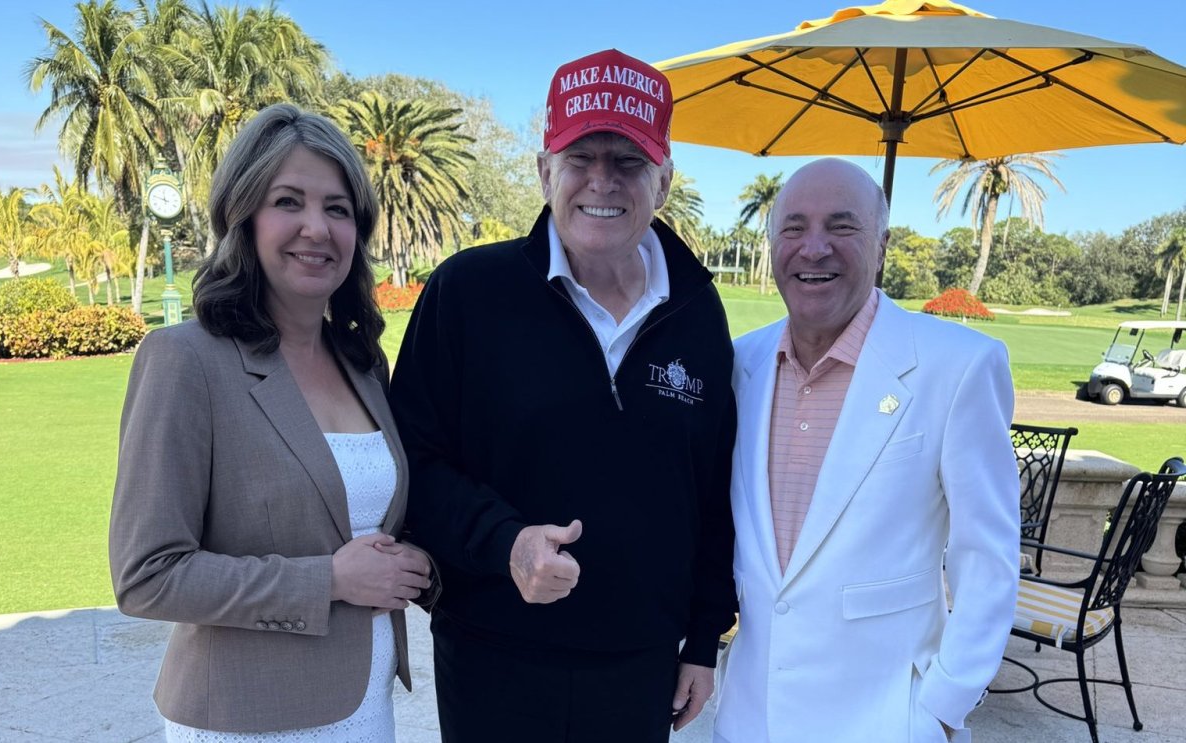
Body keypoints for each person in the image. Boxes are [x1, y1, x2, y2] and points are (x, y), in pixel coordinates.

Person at [387, 49, 737, 743]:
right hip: (493, 652)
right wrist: (505, 542)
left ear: (663, 180)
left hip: (639, 666)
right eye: (580, 158)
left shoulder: (697, 310)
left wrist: (702, 638)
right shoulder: (467, 292)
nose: (600, 182)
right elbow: (413, 462)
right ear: (544, 170)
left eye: (627, 161)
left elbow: (712, 487)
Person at [109, 103, 437, 741]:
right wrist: (330, 579)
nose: (317, 228)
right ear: (244, 217)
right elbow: (147, 576)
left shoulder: (363, 363)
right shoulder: (185, 361)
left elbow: (374, 523)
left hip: (366, 707)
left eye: (338, 209)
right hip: (248, 718)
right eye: (289, 201)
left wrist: (418, 561)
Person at [711, 158, 1020, 743]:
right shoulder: (738, 364)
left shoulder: (957, 366)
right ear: (773, 242)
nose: (815, 247)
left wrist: (944, 706)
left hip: (884, 720)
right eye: (794, 227)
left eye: (842, 226)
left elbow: (988, 556)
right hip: (750, 717)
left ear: (881, 245)